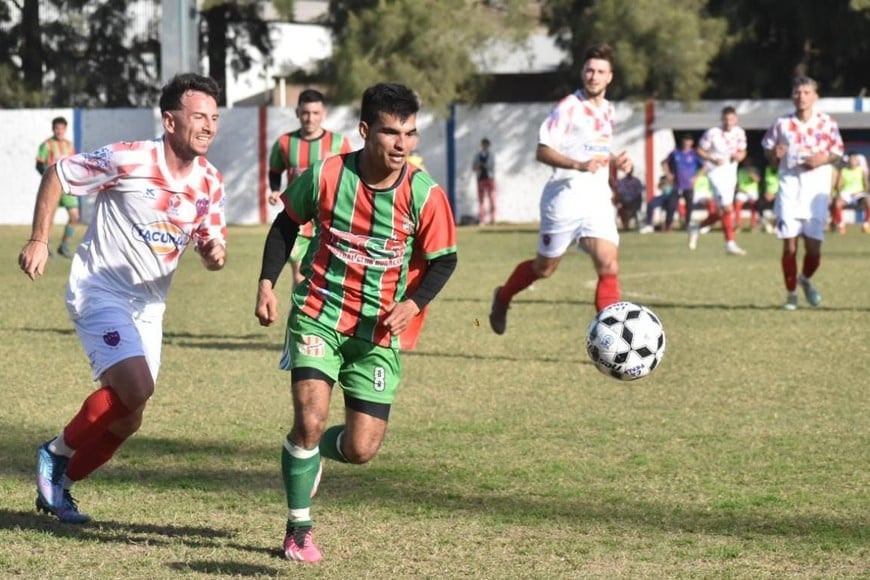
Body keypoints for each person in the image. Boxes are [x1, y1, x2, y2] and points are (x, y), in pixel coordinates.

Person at [254, 82, 458, 563]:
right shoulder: (325, 175)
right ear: (366, 131)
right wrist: (266, 283)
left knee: (362, 448)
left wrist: (412, 303)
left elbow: (445, 260)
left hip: (378, 334)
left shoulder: (424, 195)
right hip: (319, 315)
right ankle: (297, 529)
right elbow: (286, 224)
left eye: (409, 133)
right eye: (391, 133)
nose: (402, 144)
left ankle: (311, 454)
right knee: (310, 417)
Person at [18, 73, 227, 524]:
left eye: (214, 118)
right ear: (170, 121)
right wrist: (39, 238)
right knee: (136, 388)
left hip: (150, 307)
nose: (209, 126)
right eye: (199, 117)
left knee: (130, 417)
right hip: (100, 289)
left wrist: (214, 252)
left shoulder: (210, 181)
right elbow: (58, 173)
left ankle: (61, 487)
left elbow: (215, 247)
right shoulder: (129, 158)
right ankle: (54, 453)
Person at [488, 43, 632, 334]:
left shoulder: (608, 110)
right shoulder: (568, 108)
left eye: (600, 71)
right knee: (544, 269)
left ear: (610, 77)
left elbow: (599, 150)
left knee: (608, 264)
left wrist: (619, 160)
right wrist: (578, 165)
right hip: (564, 199)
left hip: (597, 202)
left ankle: (610, 336)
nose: (593, 76)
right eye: (589, 70)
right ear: (582, 73)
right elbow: (542, 151)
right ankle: (503, 296)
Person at [762, 76, 843, 310]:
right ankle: (791, 295)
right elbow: (769, 152)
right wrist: (774, 155)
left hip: (816, 189)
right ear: (792, 96)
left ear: (815, 96)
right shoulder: (781, 124)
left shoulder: (826, 123)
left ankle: (804, 279)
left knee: (814, 249)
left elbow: (837, 151)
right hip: (789, 187)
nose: (802, 97)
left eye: (807, 92)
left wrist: (823, 159)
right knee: (789, 246)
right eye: (798, 92)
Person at [267, 89, 353, 286]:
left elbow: (350, 175)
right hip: (298, 220)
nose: (310, 118)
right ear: (297, 112)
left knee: (326, 278)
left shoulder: (339, 143)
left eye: (315, 113)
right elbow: (275, 170)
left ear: (324, 114)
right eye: (305, 113)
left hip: (330, 220)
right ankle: (299, 316)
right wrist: (274, 189)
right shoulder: (285, 142)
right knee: (301, 277)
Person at [689, 106, 748, 254]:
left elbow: (743, 150)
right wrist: (712, 159)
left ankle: (697, 226)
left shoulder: (740, 132)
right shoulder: (712, 133)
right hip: (715, 172)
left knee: (724, 211)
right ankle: (730, 243)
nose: (729, 122)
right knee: (728, 208)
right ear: (722, 119)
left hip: (730, 171)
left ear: (736, 119)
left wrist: (740, 156)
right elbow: (700, 150)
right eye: (726, 119)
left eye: (732, 119)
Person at [35, 116, 78, 258]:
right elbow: (39, 164)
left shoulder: (70, 146)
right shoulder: (46, 145)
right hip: (53, 188)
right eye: (57, 128)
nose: (59, 131)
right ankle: (45, 247)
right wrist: (49, 179)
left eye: (62, 128)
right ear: (53, 129)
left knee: (74, 216)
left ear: (65, 129)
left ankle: (64, 246)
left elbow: (74, 164)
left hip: (67, 187)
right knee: (49, 218)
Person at [662, 133, 703, 230]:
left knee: (689, 206)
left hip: (688, 185)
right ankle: (668, 225)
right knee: (671, 205)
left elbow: (704, 166)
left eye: (688, 142)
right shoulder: (675, 153)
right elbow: (664, 163)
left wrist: (696, 177)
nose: (686, 144)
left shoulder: (694, 154)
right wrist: (668, 174)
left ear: (692, 143)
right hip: (677, 184)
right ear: (682, 142)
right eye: (685, 142)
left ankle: (687, 224)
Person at [831, 152, 870, 234]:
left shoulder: (861, 170)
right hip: (847, 194)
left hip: (859, 193)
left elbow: (866, 184)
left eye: (855, 159)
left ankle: (866, 224)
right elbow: (839, 185)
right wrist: (840, 192)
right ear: (848, 160)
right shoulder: (844, 171)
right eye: (851, 159)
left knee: (868, 201)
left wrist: (864, 191)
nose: (853, 161)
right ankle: (841, 225)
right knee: (838, 203)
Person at [734, 158, 762, 231]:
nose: (747, 163)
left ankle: (753, 225)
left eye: (748, 161)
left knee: (754, 206)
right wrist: (739, 189)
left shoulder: (755, 170)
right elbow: (735, 183)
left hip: (752, 191)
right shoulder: (740, 171)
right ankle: (738, 225)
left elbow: (758, 180)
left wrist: (750, 173)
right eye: (745, 162)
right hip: (742, 191)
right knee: (737, 204)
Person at [473, 137, 496, 224]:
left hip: (490, 179)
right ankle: (482, 219)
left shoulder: (491, 155)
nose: (485, 146)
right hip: (481, 179)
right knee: (481, 200)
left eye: (486, 144)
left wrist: (481, 164)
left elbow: (491, 166)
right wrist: (479, 165)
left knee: (492, 199)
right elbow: (474, 167)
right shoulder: (477, 155)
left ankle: (493, 219)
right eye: (483, 144)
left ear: (488, 145)